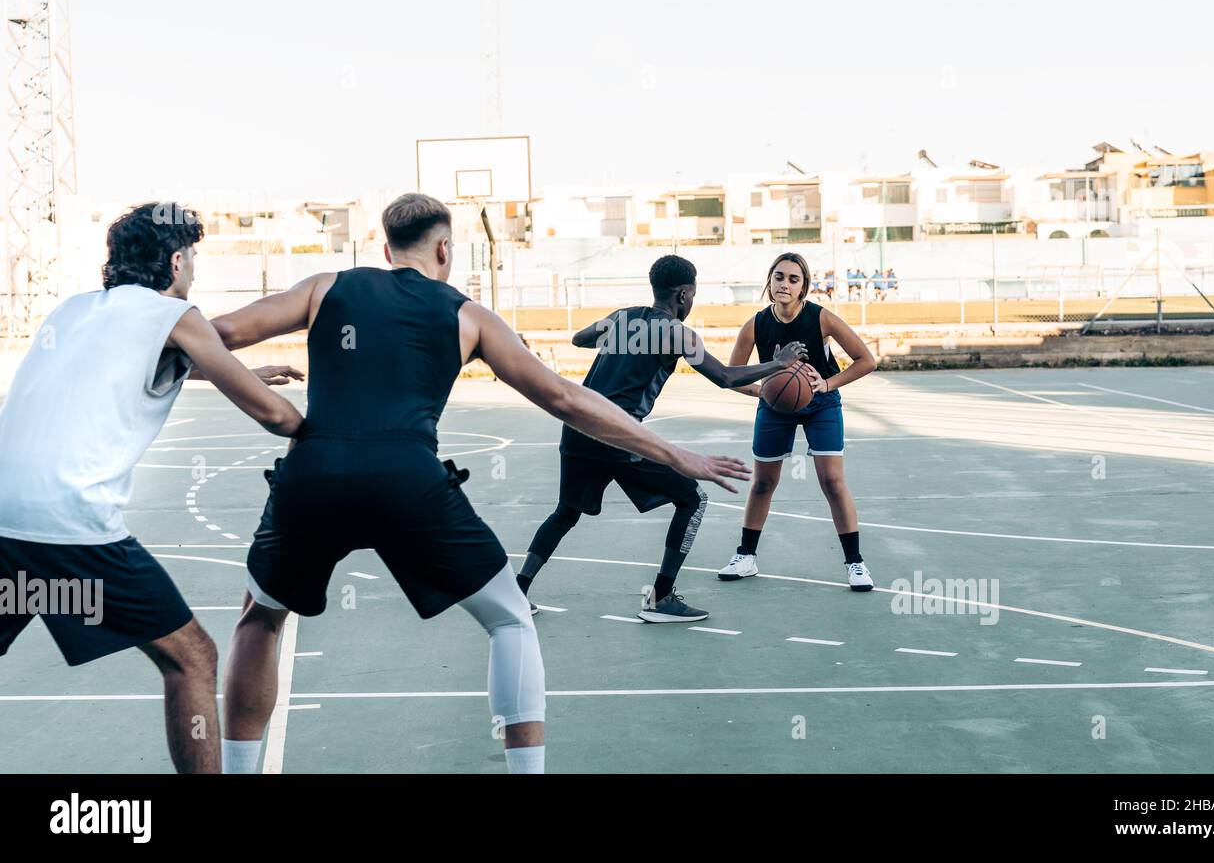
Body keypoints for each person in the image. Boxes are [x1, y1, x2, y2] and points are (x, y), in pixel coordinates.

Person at [208, 195, 750, 774]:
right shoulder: (468, 316)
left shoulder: (323, 288)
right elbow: (565, 398)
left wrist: (247, 379)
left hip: (312, 473)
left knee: (259, 620)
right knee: (509, 618)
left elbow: (212, 334)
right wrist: (675, 455)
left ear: (385, 248)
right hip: (407, 480)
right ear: (445, 248)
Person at [0, 202, 304, 773]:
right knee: (191, 658)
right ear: (175, 260)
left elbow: (115, 364)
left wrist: (230, 370)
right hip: (71, 523)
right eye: (192, 258)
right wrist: (338, 436)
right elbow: (274, 417)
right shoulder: (176, 315)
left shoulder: (71, 312)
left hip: (4, 518)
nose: (194, 271)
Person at [516, 255, 808, 623]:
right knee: (693, 500)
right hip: (617, 435)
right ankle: (661, 596)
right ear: (684, 294)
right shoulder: (677, 333)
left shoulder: (622, 318)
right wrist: (778, 364)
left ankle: (517, 591)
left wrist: (617, 340)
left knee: (566, 513)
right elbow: (725, 376)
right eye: (694, 295)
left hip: (577, 427)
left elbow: (579, 338)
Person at [716, 251, 879, 591]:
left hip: (821, 403)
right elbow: (732, 376)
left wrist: (827, 384)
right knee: (763, 483)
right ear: (769, 282)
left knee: (832, 481)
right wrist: (763, 392)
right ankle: (746, 556)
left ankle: (855, 563)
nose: (785, 284)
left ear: (804, 286)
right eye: (779, 277)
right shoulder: (756, 324)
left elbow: (866, 360)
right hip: (776, 405)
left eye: (793, 279)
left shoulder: (821, 319)